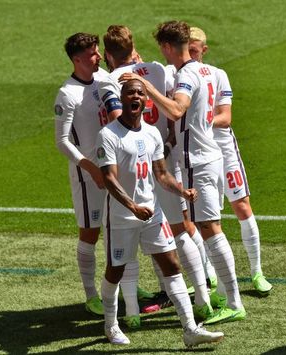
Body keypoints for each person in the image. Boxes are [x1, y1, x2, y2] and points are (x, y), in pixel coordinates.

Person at [119, 20, 246, 324]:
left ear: (166, 47)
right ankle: (223, 295)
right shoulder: (203, 70)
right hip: (209, 156)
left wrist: (146, 86)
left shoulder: (187, 74)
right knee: (207, 228)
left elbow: (177, 110)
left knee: (210, 229)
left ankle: (233, 301)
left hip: (198, 162)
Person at [96, 78, 224, 347]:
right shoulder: (109, 135)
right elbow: (108, 177)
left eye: (140, 93)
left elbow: (161, 173)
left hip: (152, 214)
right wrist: (132, 206)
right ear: (123, 99)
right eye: (130, 92)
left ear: (146, 101)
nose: (136, 96)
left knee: (172, 266)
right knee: (115, 272)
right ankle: (111, 325)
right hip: (122, 219)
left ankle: (189, 329)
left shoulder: (152, 133)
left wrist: (182, 192)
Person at [99, 25, 214, 322]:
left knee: (130, 242)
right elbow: (174, 104)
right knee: (182, 231)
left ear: (108, 55)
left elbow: (119, 121)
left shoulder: (110, 79)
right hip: (165, 156)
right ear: (133, 46)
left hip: (136, 166)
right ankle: (202, 300)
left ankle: (132, 313)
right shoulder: (158, 69)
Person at [54, 32, 147, 318]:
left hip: (114, 169)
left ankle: (126, 283)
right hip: (88, 176)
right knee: (91, 234)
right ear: (78, 58)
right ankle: (91, 295)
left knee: (120, 229)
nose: (99, 56)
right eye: (94, 54)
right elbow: (62, 141)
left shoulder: (105, 79)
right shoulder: (67, 93)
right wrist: (89, 167)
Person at [188, 27, 273, 298]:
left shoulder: (217, 74)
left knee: (241, 205)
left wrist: (198, 122)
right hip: (198, 153)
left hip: (223, 148)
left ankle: (257, 271)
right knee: (203, 216)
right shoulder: (178, 76)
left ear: (204, 49)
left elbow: (225, 117)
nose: (191, 52)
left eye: (195, 48)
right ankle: (210, 274)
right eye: (186, 48)